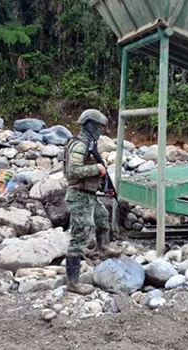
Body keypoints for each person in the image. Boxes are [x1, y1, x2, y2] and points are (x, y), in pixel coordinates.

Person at [63, 109, 122, 295]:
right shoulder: (80, 146)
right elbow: (72, 172)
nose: (101, 131)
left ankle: (103, 247)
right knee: (80, 236)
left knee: (102, 216)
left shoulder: (89, 144)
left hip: (88, 194)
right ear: (90, 126)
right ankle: (73, 283)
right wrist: (96, 169)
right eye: (99, 127)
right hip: (78, 195)